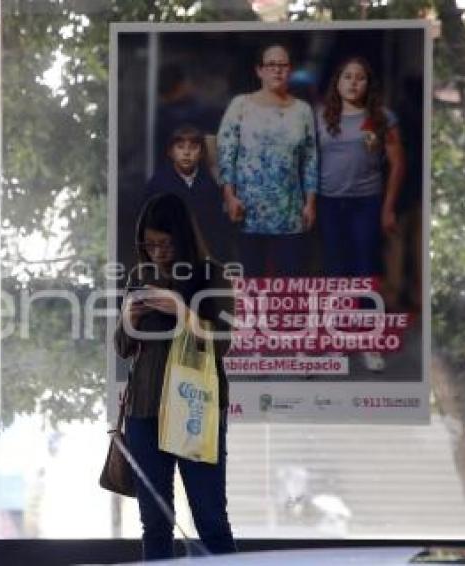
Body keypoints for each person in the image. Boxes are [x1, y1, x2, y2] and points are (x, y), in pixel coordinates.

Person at [114, 193, 236, 560]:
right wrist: (128, 322)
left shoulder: (212, 274)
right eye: (149, 244)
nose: (157, 253)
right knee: (154, 522)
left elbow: (222, 344)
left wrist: (184, 312)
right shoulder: (140, 276)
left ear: (181, 238)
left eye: (164, 244)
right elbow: (123, 348)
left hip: (195, 409)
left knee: (210, 518)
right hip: (144, 410)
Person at [316, 57, 405, 372]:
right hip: (329, 205)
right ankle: (338, 343)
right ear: (337, 83)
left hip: (366, 204)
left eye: (360, 78)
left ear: (369, 84)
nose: (353, 83)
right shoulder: (320, 117)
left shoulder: (382, 117)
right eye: (347, 77)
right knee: (336, 276)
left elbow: (398, 164)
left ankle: (369, 342)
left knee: (366, 274)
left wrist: (388, 207)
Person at [217, 43, 318, 277]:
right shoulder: (241, 105)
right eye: (271, 65)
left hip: (290, 213)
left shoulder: (303, 110)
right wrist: (229, 196)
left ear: (290, 70)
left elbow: (310, 158)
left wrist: (310, 202)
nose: (277, 71)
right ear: (259, 71)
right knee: (252, 282)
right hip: (248, 212)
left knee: (289, 284)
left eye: (283, 65)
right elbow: (226, 153)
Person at [145, 124, 234, 263]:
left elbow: (218, 226)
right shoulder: (158, 184)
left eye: (193, 148)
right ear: (170, 152)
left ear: (202, 153)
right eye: (180, 147)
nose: (186, 153)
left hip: (208, 253)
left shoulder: (210, 183)